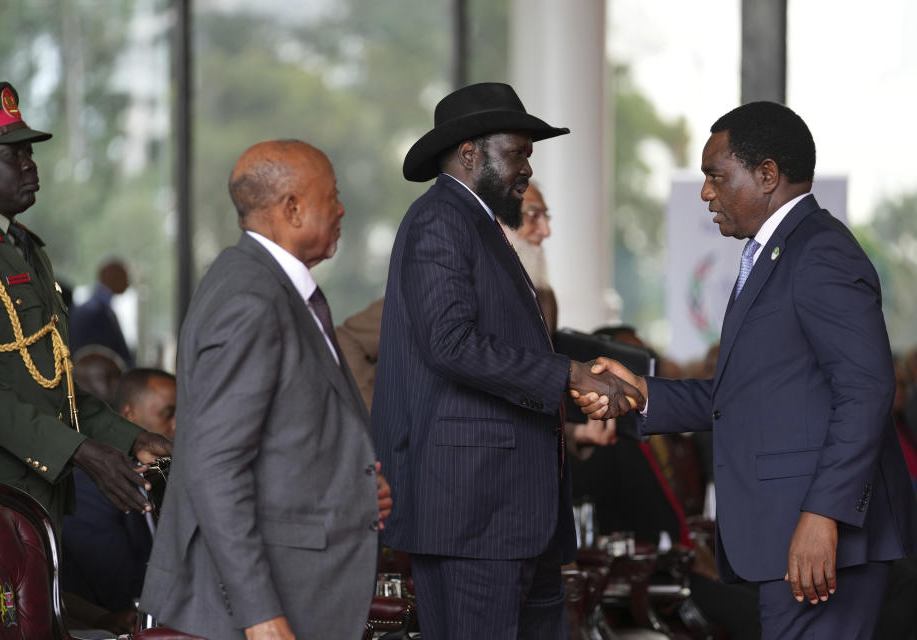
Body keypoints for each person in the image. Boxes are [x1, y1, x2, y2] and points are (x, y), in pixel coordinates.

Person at [577, 101, 917, 639]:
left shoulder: (820, 251)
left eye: (716, 176)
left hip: (819, 542)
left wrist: (823, 515)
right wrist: (643, 392)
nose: (706, 192)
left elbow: (867, 388)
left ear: (766, 176)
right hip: (788, 539)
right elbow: (748, 394)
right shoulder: (774, 253)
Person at [371, 82, 641, 639]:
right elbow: (450, 343)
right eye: (517, 152)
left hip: (515, 517)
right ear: (470, 152)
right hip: (471, 515)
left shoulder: (480, 225)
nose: (526, 167)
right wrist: (569, 374)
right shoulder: (439, 221)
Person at [140, 140, 392, 640]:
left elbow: (285, 435)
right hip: (263, 605)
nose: (342, 208)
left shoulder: (266, 286)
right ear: (292, 208)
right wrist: (259, 614)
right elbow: (214, 466)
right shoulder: (251, 299)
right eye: (332, 195)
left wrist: (355, 489)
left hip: (303, 587)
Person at [0, 81, 171, 532]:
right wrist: (80, 452)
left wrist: (132, 439)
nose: (30, 164)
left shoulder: (23, 246)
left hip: (36, 491)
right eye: (12, 154)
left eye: (29, 153)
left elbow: (54, 388)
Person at [63, 368, 176, 615]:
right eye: (169, 414)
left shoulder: (162, 478)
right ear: (129, 416)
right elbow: (119, 588)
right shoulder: (92, 487)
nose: (178, 424)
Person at [502, 181, 557, 332]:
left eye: (546, 216)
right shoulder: (472, 286)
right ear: (498, 220)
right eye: (533, 215)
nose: (546, 231)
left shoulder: (546, 296)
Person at [69, 257, 133, 365]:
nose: (128, 282)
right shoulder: (95, 313)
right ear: (110, 276)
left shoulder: (96, 310)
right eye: (124, 276)